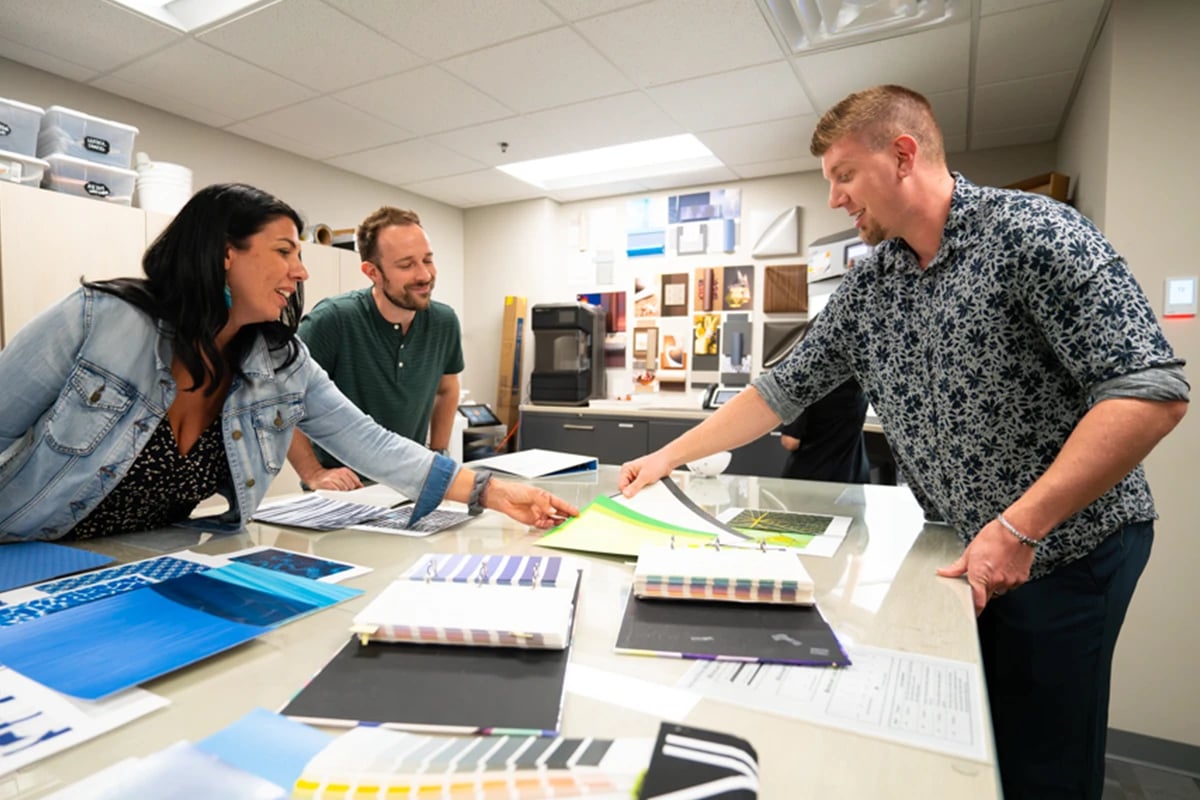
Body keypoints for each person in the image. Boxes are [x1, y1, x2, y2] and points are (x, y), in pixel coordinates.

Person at [619, 85, 1188, 799]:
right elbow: (780, 388)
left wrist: (1020, 525)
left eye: (844, 176)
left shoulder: (1036, 234)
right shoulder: (872, 287)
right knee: (977, 738)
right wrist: (669, 455)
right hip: (964, 546)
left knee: (1044, 754)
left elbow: (1150, 391)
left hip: (1066, 547)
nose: (834, 199)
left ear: (903, 155)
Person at [0, 183, 576, 544]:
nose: (301, 272)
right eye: (284, 252)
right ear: (224, 254)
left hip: (145, 559)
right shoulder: (97, 320)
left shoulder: (280, 361)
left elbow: (372, 444)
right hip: (28, 554)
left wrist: (496, 492)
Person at [287, 207, 462, 492]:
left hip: (410, 485)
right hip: (343, 490)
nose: (424, 275)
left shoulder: (444, 322)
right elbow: (280, 403)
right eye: (406, 265)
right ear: (372, 272)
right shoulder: (332, 320)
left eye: (428, 260)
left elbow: (446, 389)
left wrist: (439, 455)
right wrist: (313, 472)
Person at [777, 315, 871, 484]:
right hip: (853, 476)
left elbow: (790, 442)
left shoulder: (806, 383)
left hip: (811, 481)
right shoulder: (860, 381)